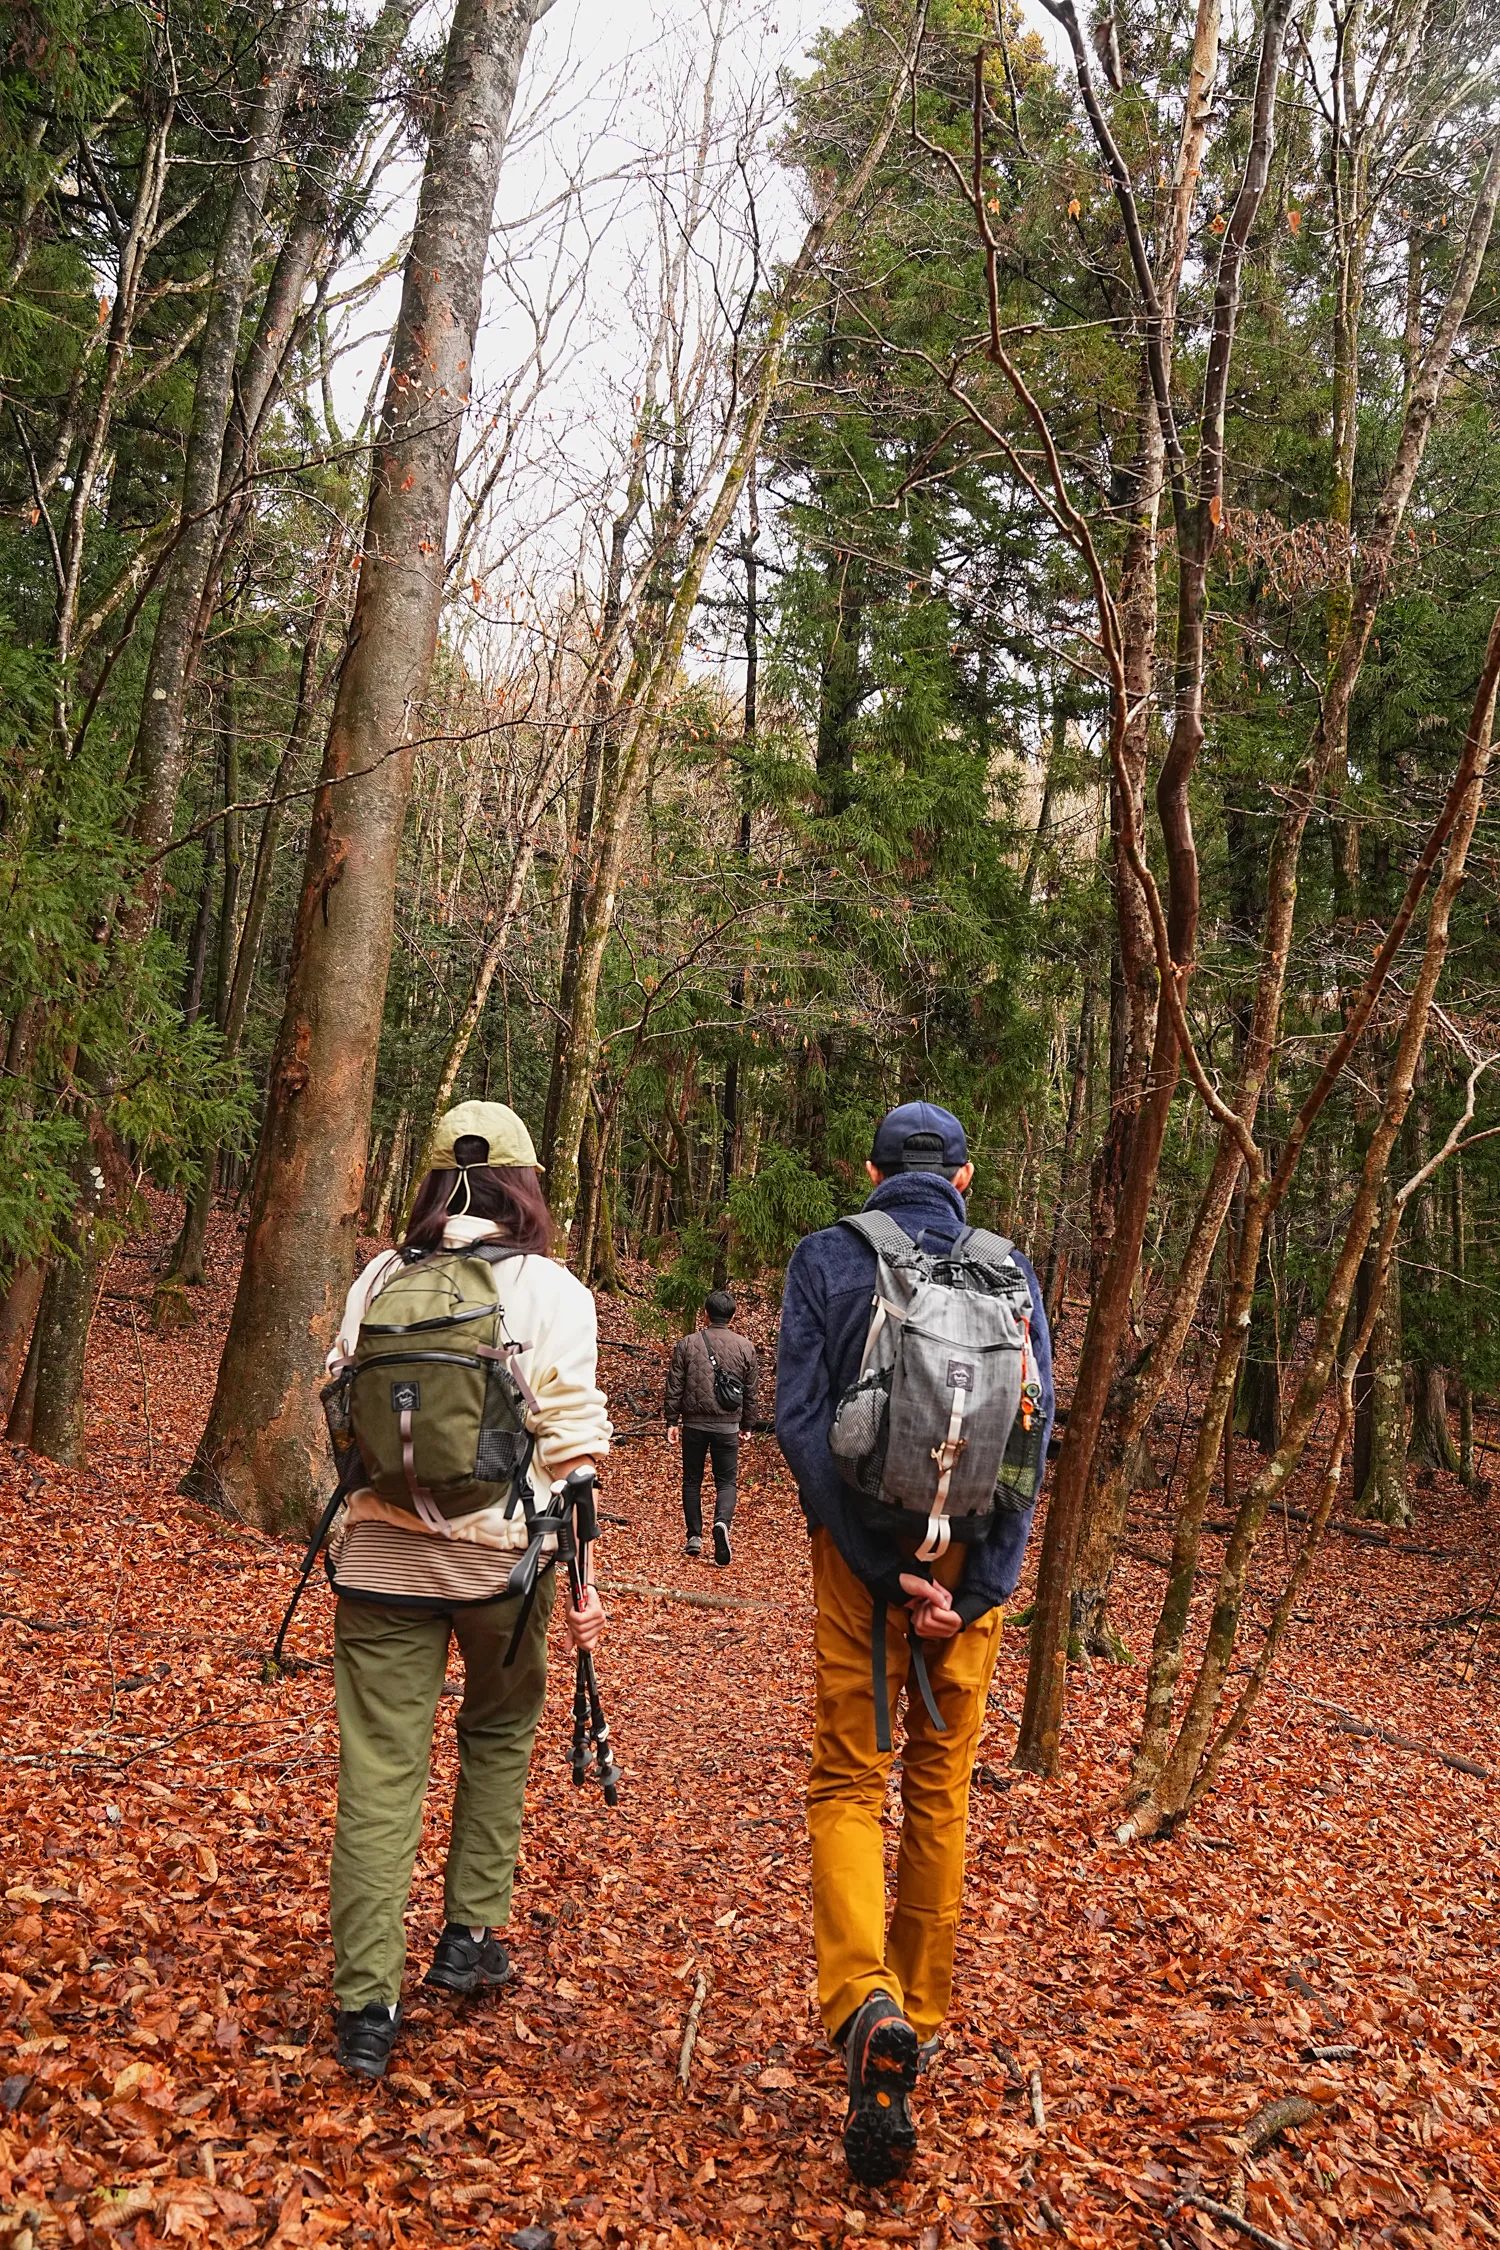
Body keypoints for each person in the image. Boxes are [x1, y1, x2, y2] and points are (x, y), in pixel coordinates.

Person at [775, 1100, 1055, 2186]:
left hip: (860, 1562)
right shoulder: (1009, 1270)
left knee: (850, 1777)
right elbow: (1036, 1435)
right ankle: (921, 2020)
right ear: (967, 1178)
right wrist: (978, 1589)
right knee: (942, 1788)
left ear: (872, 1170)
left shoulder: (827, 1259)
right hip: (969, 1573)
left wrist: (872, 1563)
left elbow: (801, 1425)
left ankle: (862, 2002)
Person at [322, 1100, 611, 2082]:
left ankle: (366, 2000)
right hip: (502, 1563)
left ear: (432, 1181)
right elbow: (573, 1447)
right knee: (495, 1731)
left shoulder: (380, 1275)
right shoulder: (556, 1293)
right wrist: (585, 1580)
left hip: (379, 1563)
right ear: (524, 1186)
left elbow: (341, 1397)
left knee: (378, 1770)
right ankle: (469, 1936)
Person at [664, 1288, 759, 1565]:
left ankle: (694, 1536)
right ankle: (722, 1524)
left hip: (694, 1425)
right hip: (728, 1427)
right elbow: (751, 1391)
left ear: (706, 1313)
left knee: (692, 1480)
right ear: (733, 1315)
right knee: (726, 1481)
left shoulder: (687, 1344)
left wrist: (672, 1420)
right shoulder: (746, 1347)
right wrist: (747, 1424)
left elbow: (675, 1385)